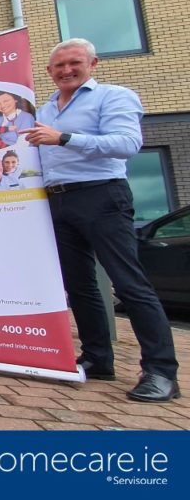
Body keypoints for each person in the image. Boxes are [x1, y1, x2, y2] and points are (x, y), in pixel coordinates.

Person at [22, 38, 179, 402]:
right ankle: (97, 358)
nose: (66, 70)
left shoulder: (113, 96)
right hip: (57, 201)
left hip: (102, 195)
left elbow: (126, 143)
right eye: (59, 66)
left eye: (74, 63)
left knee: (129, 284)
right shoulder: (44, 109)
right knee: (79, 285)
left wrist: (64, 138)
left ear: (92, 64)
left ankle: (161, 372)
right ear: (49, 71)